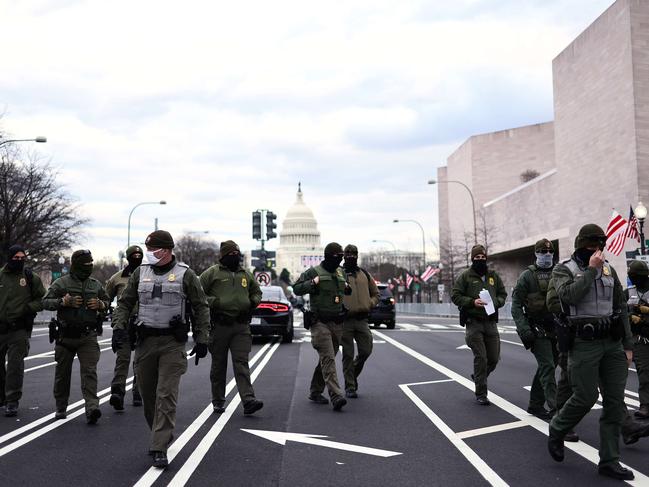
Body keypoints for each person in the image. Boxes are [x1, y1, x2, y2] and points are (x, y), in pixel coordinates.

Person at [112, 230, 210, 469]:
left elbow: (201, 306)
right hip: (145, 342)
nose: (149, 255)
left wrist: (202, 338)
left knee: (166, 395)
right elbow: (124, 302)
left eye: (154, 250)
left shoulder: (186, 275)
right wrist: (118, 328)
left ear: (166, 251)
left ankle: (159, 446)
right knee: (148, 396)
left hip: (171, 343)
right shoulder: (139, 273)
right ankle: (161, 434)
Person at [547, 224, 634, 480]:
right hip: (584, 343)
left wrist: (628, 345)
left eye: (599, 246)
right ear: (580, 246)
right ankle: (558, 427)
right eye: (590, 247)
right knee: (585, 397)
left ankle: (609, 460)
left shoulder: (609, 269)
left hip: (612, 343)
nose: (596, 251)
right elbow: (569, 297)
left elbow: (621, 306)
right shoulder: (564, 269)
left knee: (615, 403)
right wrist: (592, 270)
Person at [42, 249, 109, 424]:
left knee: (90, 373)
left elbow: (109, 303)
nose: (89, 266)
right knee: (62, 374)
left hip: (88, 335)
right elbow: (45, 302)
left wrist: (101, 304)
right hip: (65, 336)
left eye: (91, 263)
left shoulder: (95, 285)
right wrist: (62, 302)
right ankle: (61, 407)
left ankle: (92, 408)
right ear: (76, 264)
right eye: (86, 264)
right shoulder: (61, 283)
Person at [199, 240, 263, 415]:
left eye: (237, 253)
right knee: (219, 365)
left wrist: (251, 302)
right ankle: (218, 400)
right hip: (220, 325)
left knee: (241, 363)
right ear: (223, 256)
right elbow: (198, 294)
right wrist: (216, 303)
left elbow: (257, 292)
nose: (235, 257)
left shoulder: (246, 275)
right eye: (231, 254)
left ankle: (248, 400)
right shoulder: (212, 273)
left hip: (241, 326)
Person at [294, 242, 350, 411]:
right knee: (328, 358)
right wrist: (312, 283)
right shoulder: (314, 272)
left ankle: (315, 391)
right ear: (327, 256)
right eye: (336, 257)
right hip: (320, 323)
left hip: (337, 322)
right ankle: (336, 395)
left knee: (327, 358)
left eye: (341, 257)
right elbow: (296, 288)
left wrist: (347, 288)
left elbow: (346, 291)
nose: (339, 260)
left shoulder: (341, 272)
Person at [451, 244, 507, 405]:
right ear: (472, 259)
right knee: (481, 358)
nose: (480, 260)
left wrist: (497, 302)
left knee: (494, 358)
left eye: (483, 257)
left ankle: (478, 376)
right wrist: (471, 302)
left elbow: (503, 294)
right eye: (477, 258)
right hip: (474, 323)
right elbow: (455, 295)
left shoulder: (493, 276)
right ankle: (481, 393)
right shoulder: (466, 276)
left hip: (490, 322)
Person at [512, 239, 558, 420]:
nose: (547, 254)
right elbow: (515, 306)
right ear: (536, 253)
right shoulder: (527, 276)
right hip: (537, 328)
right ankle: (556, 410)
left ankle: (535, 404)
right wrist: (524, 330)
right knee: (547, 367)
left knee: (549, 366)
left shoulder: (559, 272)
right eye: (543, 251)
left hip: (557, 327)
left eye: (549, 251)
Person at [0, 245, 46, 417]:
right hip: (0, 327)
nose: (19, 261)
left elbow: (43, 298)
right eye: (16, 258)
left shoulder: (29, 277)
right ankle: (2, 397)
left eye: (22, 258)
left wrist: (29, 308)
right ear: (9, 257)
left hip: (18, 329)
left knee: (15, 366)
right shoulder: (1, 275)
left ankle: (12, 401)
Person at [106, 245, 143, 410]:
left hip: (144, 323)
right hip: (124, 324)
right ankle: (118, 393)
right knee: (123, 359)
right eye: (134, 255)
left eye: (139, 255)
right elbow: (106, 298)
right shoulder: (117, 278)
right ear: (128, 258)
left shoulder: (149, 276)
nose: (137, 258)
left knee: (141, 361)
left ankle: (138, 392)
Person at [340, 244, 378, 398]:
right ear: (343, 255)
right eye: (348, 253)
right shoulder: (339, 274)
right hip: (345, 321)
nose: (351, 256)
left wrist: (370, 303)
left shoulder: (365, 275)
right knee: (347, 355)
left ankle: (352, 375)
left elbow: (376, 294)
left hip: (362, 320)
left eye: (353, 253)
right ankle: (350, 386)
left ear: (357, 255)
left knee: (365, 351)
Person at [626, 259, 649, 419]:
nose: (634, 278)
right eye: (631, 276)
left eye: (636, 276)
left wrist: (643, 318)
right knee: (644, 370)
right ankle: (645, 405)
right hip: (640, 338)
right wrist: (630, 316)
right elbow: (619, 311)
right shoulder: (628, 292)